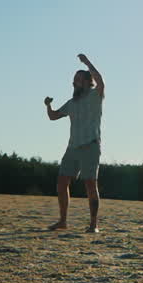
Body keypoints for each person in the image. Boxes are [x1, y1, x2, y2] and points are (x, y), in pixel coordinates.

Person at [44, 53, 105, 233]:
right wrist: (47, 105)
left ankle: (93, 224)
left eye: (77, 79)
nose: (74, 82)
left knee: (90, 184)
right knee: (62, 183)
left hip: (90, 146)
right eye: (73, 80)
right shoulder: (72, 103)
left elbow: (100, 80)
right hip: (72, 148)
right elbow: (53, 116)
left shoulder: (96, 95)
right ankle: (62, 221)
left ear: (87, 81)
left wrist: (86, 62)